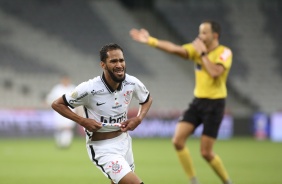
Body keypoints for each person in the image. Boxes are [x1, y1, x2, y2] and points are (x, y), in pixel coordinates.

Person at [130, 20, 232, 184]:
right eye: (200, 32)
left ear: (215, 35)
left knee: (206, 153)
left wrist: (203, 54)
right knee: (177, 141)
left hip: (215, 104)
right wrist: (151, 41)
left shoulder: (224, 52)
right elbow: (174, 49)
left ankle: (227, 181)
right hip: (198, 101)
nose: (200, 36)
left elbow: (215, 72)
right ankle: (193, 181)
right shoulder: (196, 50)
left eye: (204, 32)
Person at [51, 43, 153, 184]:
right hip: (103, 148)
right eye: (113, 61)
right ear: (103, 65)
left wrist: (139, 118)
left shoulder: (132, 82)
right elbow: (57, 104)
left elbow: (147, 99)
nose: (119, 65)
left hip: (124, 142)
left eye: (121, 60)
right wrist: (82, 121)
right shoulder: (89, 89)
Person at [46, 74, 78, 149]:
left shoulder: (73, 88)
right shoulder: (57, 88)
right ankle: (59, 143)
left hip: (70, 111)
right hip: (59, 111)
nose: (65, 81)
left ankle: (66, 144)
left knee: (68, 128)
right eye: (64, 80)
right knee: (59, 128)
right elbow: (50, 99)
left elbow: (78, 100)